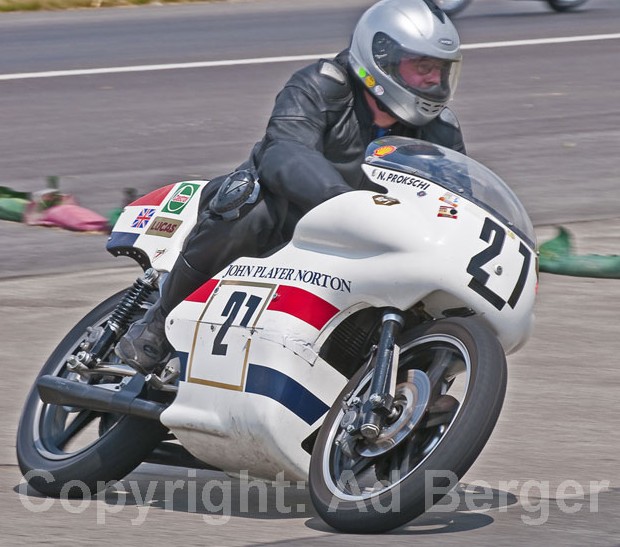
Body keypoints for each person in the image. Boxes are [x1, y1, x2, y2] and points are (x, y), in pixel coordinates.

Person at [116, 0, 466, 374]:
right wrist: (344, 201)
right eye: (422, 67)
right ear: (382, 58)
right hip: (291, 223)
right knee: (250, 202)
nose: (433, 80)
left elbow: (455, 203)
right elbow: (283, 150)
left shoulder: (441, 131)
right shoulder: (323, 85)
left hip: (366, 246)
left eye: (441, 69)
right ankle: (158, 322)